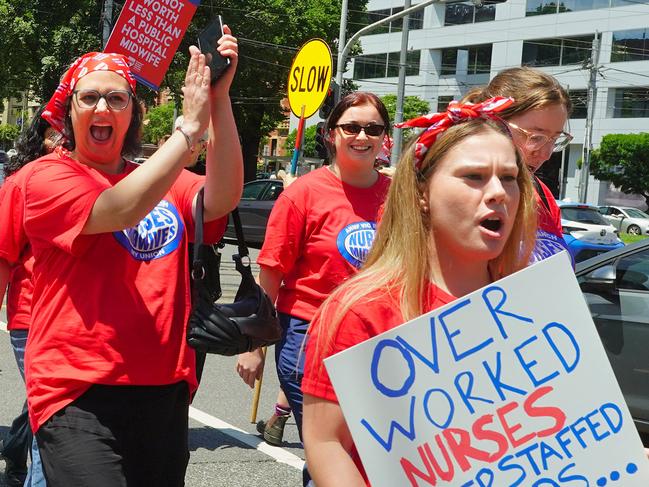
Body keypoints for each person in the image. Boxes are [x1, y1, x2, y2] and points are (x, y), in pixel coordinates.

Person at [8, 27, 241, 486]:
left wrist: (219, 99)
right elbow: (118, 209)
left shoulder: (162, 179)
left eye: (116, 99)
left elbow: (223, 196)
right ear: (68, 110)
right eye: (89, 97)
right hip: (77, 391)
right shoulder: (47, 177)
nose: (102, 108)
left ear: (132, 112)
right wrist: (188, 131)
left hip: (163, 387)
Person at [301, 98, 538, 486]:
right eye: (474, 177)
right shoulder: (362, 311)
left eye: (509, 178)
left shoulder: (529, 306)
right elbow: (326, 442)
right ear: (422, 194)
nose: (498, 192)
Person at [236, 92, 392, 475]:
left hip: (378, 340)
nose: (362, 136)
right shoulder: (302, 194)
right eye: (351, 127)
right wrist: (253, 344)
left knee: (371, 452)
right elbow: (271, 272)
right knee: (334, 450)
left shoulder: (398, 196)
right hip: (309, 337)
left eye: (372, 128)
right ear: (331, 134)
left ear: (384, 137)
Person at [461, 67, 573, 263]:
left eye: (554, 139)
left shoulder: (542, 194)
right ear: (493, 122)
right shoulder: (457, 190)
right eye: (535, 137)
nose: (546, 154)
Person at [0, 106, 57, 487]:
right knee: (52, 416)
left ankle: (14, 450)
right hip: (31, 317)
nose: (62, 139)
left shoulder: (99, 182)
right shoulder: (22, 184)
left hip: (79, 319)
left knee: (50, 407)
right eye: (52, 133)